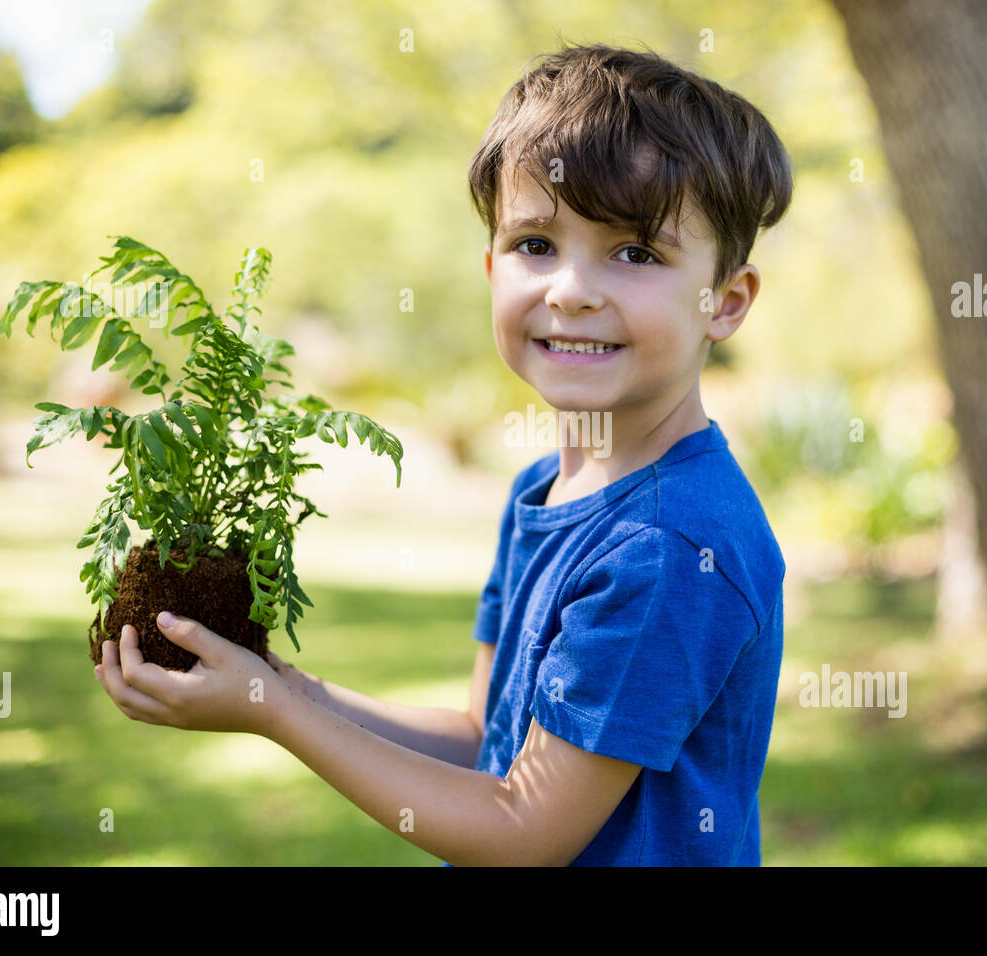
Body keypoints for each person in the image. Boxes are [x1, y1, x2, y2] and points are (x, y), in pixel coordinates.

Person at [94, 41, 794, 866]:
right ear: (491, 266)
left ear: (726, 301)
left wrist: (272, 714)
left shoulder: (671, 547)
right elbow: (480, 743)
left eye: (636, 252)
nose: (570, 289)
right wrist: (285, 687)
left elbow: (521, 828)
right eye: (537, 245)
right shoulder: (545, 489)